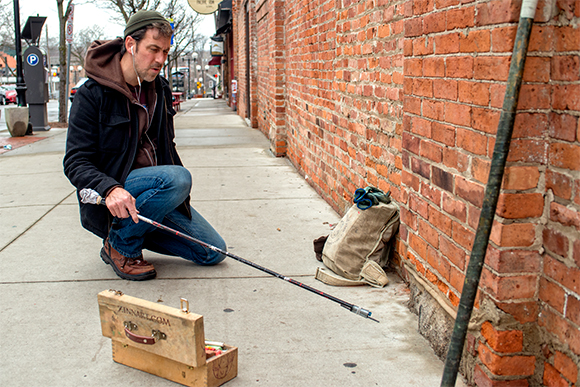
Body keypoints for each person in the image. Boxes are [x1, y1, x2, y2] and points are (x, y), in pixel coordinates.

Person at [63, 10, 226, 281]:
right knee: (177, 178)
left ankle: (130, 233)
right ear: (130, 44)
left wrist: (174, 202)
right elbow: (75, 161)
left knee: (213, 251)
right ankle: (121, 244)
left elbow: (167, 148)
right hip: (115, 196)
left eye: (165, 51)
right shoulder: (92, 94)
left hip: (153, 193)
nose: (161, 59)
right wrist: (110, 188)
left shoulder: (159, 90)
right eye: (153, 49)